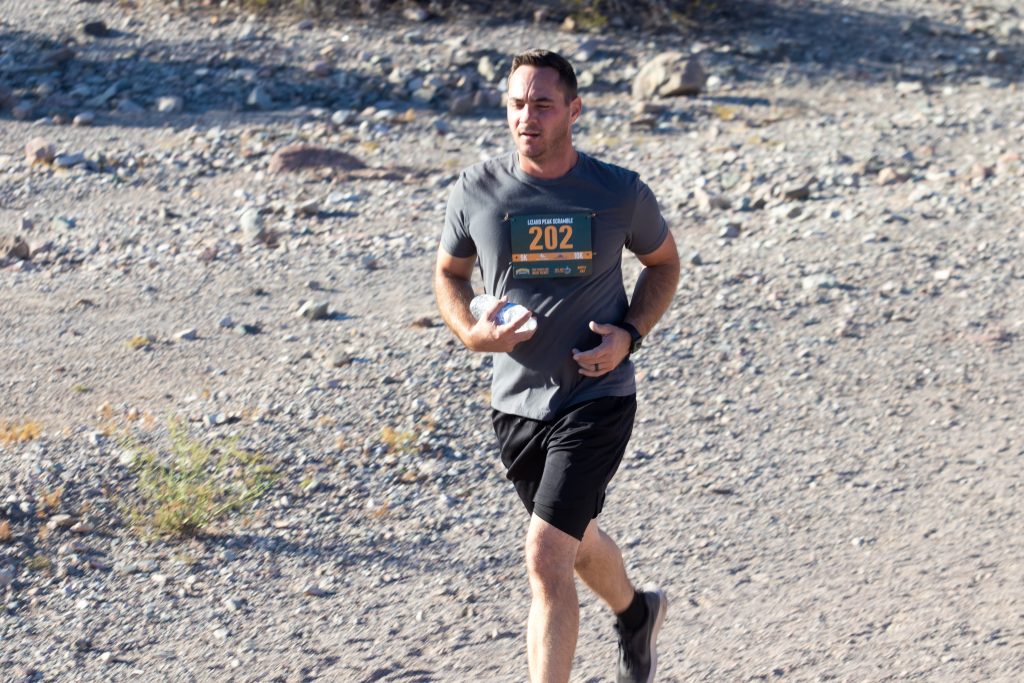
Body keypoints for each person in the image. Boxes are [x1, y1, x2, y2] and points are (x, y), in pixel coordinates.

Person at [433, 48, 680, 683]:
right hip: (515, 405)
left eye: (543, 104)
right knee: (574, 537)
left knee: (545, 556)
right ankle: (637, 614)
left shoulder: (618, 192)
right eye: (517, 104)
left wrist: (629, 334)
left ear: (574, 110)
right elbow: (450, 274)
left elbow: (663, 264)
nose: (527, 116)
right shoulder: (476, 190)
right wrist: (471, 333)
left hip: (597, 396)